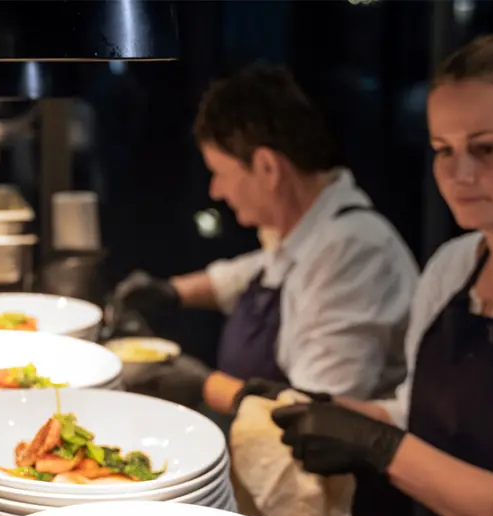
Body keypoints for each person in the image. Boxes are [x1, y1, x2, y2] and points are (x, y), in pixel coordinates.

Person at [266, 35, 493, 516]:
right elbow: (420, 408)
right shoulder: (452, 266)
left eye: (488, 148)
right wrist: (333, 414)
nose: (459, 173)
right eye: (442, 150)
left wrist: (382, 449)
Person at [113, 65, 419, 419]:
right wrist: (170, 290)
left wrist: (202, 384)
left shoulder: (356, 254)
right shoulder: (306, 231)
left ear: (268, 168)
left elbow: (315, 413)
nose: (216, 191)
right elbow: (257, 272)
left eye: (220, 173)